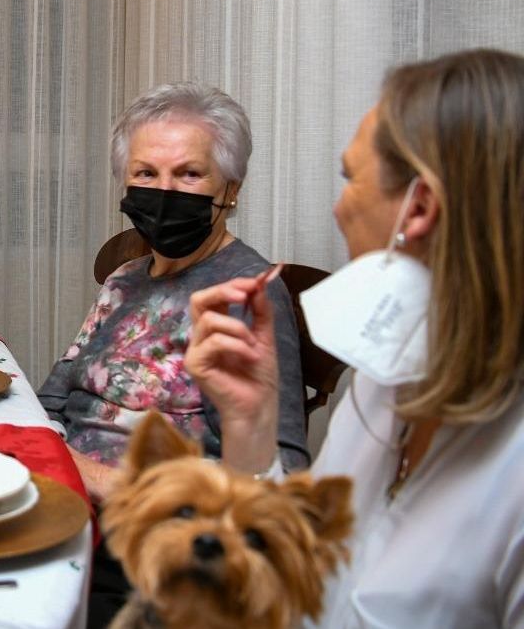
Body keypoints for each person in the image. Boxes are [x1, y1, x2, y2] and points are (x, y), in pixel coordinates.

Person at [187, 50, 524, 626]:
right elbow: (301, 576)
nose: (339, 209)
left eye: (350, 178)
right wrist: (251, 428)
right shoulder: (384, 379)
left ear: (419, 209)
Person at [38, 82, 311, 500]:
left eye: (189, 174)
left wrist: (84, 474)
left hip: (150, 529)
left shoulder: (247, 295)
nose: (164, 192)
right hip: (60, 492)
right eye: (146, 173)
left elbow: (279, 474)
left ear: (231, 190)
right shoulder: (125, 278)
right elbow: (55, 397)